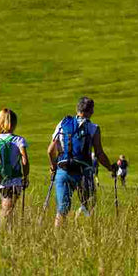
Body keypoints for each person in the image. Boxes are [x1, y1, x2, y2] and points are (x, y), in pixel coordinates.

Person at [47, 96, 115, 227]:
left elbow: (50, 150)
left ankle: (56, 240)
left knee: (61, 211)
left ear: (77, 109)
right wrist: (110, 168)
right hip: (83, 172)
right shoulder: (93, 128)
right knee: (90, 206)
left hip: (63, 170)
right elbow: (99, 153)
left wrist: (53, 167)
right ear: (91, 111)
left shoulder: (63, 124)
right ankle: (87, 232)